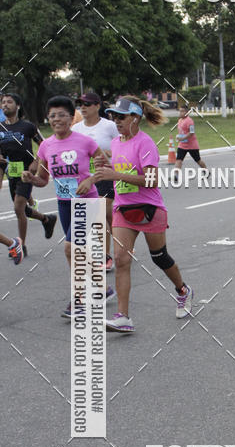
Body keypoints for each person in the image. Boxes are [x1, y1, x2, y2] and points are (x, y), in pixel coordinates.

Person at [93, 96, 193, 334]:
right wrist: (104, 166)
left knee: (159, 257)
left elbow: (152, 180)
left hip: (149, 209)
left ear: (135, 118)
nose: (117, 121)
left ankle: (183, 290)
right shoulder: (116, 142)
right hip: (123, 209)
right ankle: (123, 317)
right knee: (121, 259)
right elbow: (120, 168)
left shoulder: (145, 143)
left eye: (122, 117)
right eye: (114, 117)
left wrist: (115, 175)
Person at [22, 96, 114, 318]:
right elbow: (43, 179)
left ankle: (79, 299)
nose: (56, 119)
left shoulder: (85, 142)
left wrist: (90, 180)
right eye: (52, 115)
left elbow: (107, 167)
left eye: (62, 115)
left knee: (70, 248)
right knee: (77, 251)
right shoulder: (46, 145)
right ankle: (103, 289)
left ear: (72, 117)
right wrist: (31, 179)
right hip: (64, 204)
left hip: (87, 201)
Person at [0, 93, 57, 254]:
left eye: (9, 102)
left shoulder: (27, 126)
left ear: (18, 106)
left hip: (27, 172)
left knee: (18, 207)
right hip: (11, 172)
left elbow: (44, 145)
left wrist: (36, 162)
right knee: (23, 210)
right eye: (3, 102)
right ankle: (47, 219)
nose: (5, 105)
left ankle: (20, 245)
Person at [72, 93, 119, 272]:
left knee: (100, 214)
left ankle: (106, 256)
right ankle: (122, 243)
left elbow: (122, 146)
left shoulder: (109, 126)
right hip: (85, 179)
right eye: (80, 104)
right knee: (105, 216)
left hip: (105, 175)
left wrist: (107, 154)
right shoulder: (76, 129)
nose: (83, 107)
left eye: (87, 104)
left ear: (97, 106)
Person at [173, 104, 208, 178]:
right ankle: (176, 176)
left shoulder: (190, 121)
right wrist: (179, 137)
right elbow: (181, 131)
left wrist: (182, 138)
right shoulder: (180, 120)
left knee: (198, 160)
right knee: (179, 160)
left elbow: (191, 133)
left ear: (187, 112)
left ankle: (206, 171)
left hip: (192, 146)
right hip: (182, 145)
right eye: (180, 111)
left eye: (182, 111)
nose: (180, 113)